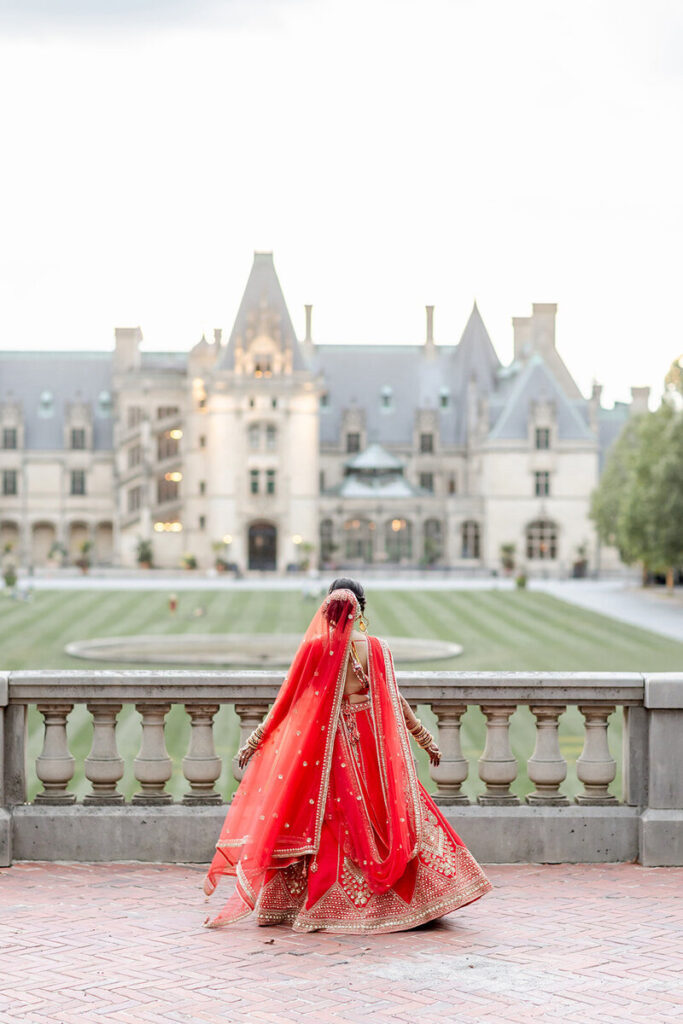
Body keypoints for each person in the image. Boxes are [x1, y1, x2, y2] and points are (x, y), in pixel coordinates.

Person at [202, 578, 492, 933]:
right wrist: (424, 738)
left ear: (327, 607)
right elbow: (395, 702)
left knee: (331, 817)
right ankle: (414, 901)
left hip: (332, 745)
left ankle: (324, 904)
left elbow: (288, 702)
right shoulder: (378, 649)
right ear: (361, 609)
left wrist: (255, 740)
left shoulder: (317, 649)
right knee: (391, 811)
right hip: (374, 744)